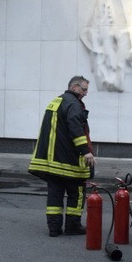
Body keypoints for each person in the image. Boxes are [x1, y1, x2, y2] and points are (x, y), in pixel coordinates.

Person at [28, 76, 96, 237]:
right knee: (76, 193)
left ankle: (54, 228)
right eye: (84, 89)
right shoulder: (73, 104)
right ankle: (72, 226)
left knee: (54, 194)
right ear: (74, 87)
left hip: (52, 162)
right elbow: (75, 128)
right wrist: (85, 150)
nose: (86, 93)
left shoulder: (56, 101)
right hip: (69, 160)